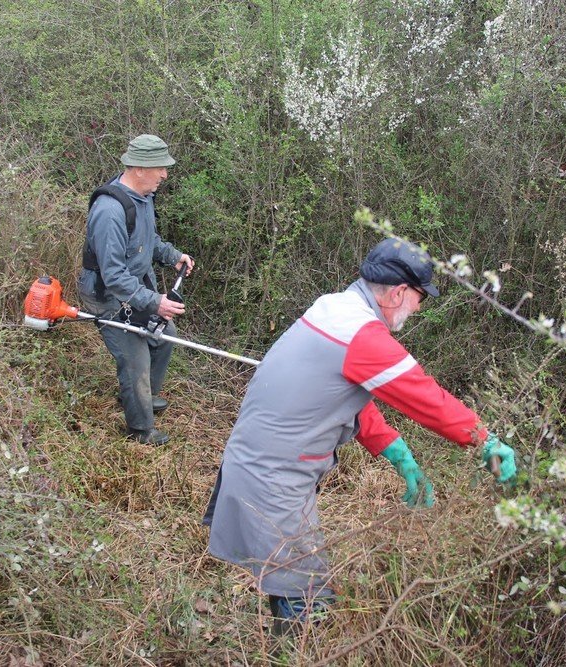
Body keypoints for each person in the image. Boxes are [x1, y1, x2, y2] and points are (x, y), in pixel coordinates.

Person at [202, 237, 517, 631]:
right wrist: (485, 438)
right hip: (274, 476)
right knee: (306, 594)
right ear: (400, 292)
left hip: (260, 462)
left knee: (292, 581)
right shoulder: (363, 335)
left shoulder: (333, 307)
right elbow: (426, 397)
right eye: (421, 298)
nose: (419, 309)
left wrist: (398, 454)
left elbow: (342, 397)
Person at [78, 134, 194, 446]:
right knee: (135, 360)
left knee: (165, 337)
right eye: (160, 168)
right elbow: (113, 275)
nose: (165, 174)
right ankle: (141, 429)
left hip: (137, 287)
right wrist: (155, 302)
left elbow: (147, 239)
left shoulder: (142, 197)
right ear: (140, 168)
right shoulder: (109, 211)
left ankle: (143, 397)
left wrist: (172, 257)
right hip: (109, 296)